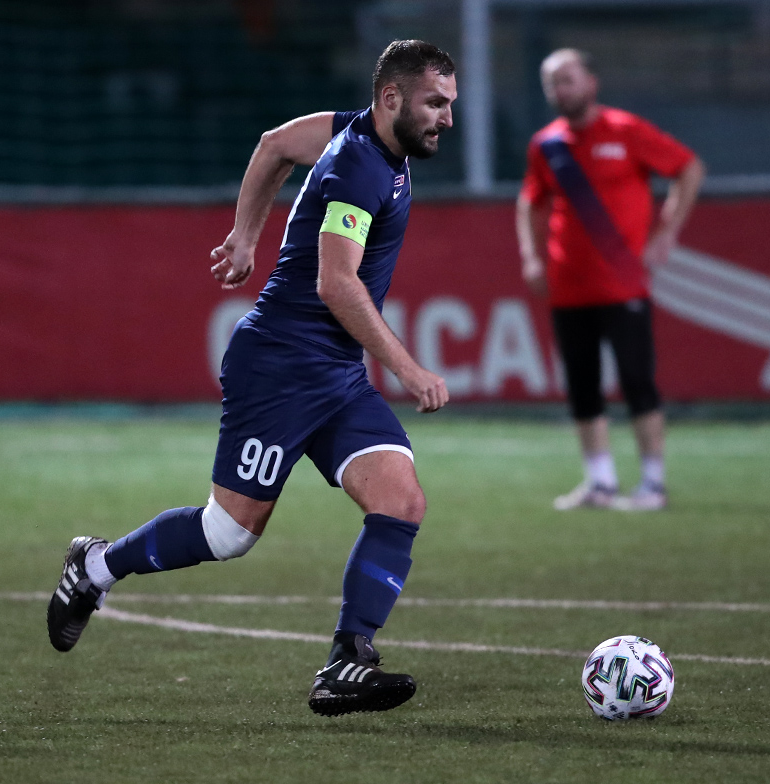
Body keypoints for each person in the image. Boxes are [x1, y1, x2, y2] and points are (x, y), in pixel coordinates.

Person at [46, 40, 457, 717]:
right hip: (280, 368)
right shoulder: (358, 167)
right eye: (435, 103)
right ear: (392, 99)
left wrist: (245, 235)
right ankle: (94, 568)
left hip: (333, 372)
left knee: (401, 501)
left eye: (449, 104)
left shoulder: (355, 130)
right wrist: (408, 369)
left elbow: (274, 145)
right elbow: (336, 283)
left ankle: (347, 661)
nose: (447, 118)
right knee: (229, 534)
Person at [516, 48, 705, 512]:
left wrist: (667, 231)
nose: (560, 90)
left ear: (591, 83)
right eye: (551, 83)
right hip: (568, 286)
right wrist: (532, 257)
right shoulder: (547, 144)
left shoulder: (626, 131)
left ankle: (653, 484)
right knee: (582, 386)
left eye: (567, 80)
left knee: (638, 381)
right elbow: (530, 203)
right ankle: (600, 482)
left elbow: (688, 168)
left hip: (623, 284)